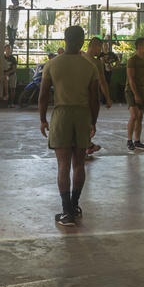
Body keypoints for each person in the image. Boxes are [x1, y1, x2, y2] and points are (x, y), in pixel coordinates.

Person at [39, 26, 100, 227]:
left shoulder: (52, 64)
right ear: (83, 42)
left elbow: (43, 96)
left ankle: (66, 212)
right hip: (82, 114)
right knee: (79, 164)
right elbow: (94, 98)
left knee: (63, 165)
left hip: (62, 114)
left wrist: (43, 119)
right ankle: (74, 205)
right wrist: (93, 122)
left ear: (64, 39)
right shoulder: (90, 66)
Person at [84, 37, 113, 157]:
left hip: (78, 96)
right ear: (95, 47)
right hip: (91, 98)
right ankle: (86, 146)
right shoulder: (96, 63)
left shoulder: (79, 58)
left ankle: (87, 145)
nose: (100, 51)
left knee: (83, 124)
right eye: (100, 48)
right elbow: (103, 83)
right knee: (91, 125)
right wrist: (108, 98)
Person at [125, 37, 144, 151]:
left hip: (141, 90)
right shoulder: (132, 60)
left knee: (140, 117)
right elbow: (131, 79)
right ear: (139, 47)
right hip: (131, 90)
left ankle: (137, 141)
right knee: (134, 115)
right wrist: (136, 94)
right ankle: (129, 140)